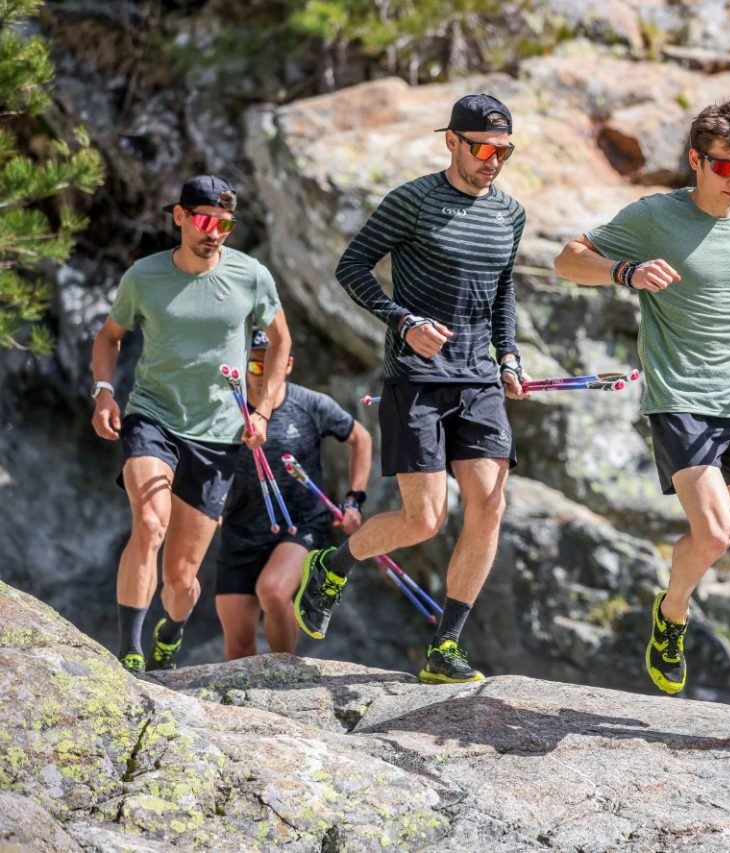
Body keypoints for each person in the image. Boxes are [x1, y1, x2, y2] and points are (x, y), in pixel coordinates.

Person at [552, 101, 730, 754]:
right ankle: (672, 611)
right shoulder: (654, 217)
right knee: (718, 534)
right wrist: (626, 271)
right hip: (681, 399)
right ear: (697, 160)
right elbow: (566, 258)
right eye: (726, 165)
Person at [293, 93, 529, 685]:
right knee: (424, 519)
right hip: (416, 379)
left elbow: (503, 293)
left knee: (489, 503)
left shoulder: (510, 213)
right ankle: (332, 564)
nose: (493, 161)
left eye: (504, 150)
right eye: (482, 148)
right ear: (451, 141)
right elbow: (352, 268)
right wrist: (404, 321)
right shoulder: (413, 200)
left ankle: (445, 646)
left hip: (479, 380)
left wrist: (509, 356)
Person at [91, 174, 290, 673]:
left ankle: (170, 631)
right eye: (205, 220)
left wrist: (262, 410)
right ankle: (129, 656)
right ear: (179, 217)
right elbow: (109, 336)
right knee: (150, 524)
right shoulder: (144, 276)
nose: (215, 233)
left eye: (225, 224)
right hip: (152, 416)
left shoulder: (252, 276)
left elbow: (280, 340)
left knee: (181, 581)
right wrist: (104, 393)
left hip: (219, 435)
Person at [214, 328, 372, 660]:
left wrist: (353, 500)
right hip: (240, 532)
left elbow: (361, 438)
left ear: (287, 365)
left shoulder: (310, 404)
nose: (261, 374)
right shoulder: (226, 409)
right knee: (238, 648)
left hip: (301, 525)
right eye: (254, 365)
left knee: (272, 592)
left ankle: (286, 674)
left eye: (270, 365)